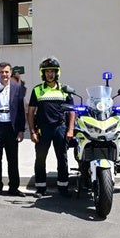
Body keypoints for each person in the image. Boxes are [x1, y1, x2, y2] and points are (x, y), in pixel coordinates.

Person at [27, 57, 75, 198]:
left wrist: (71, 129)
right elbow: (30, 113)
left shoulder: (65, 89)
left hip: (60, 128)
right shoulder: (37, 90)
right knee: (40, 158)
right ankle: (41, 188)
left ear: (57, 73)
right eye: (47, 71)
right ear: (43, 73)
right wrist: (32, 131)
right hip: (43, 129)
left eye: (52, 71)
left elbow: (72, 111)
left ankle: (63, 187)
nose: (50, 74)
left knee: (62, 158)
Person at [0, 62, 27, 197]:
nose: (4, 75)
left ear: (10, 73)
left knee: (13, 159)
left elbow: (21, 110)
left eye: (6, 72)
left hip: (11, 127)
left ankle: (14, 187)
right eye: (2, 72)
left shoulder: (17, 87)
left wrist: (21, 130)